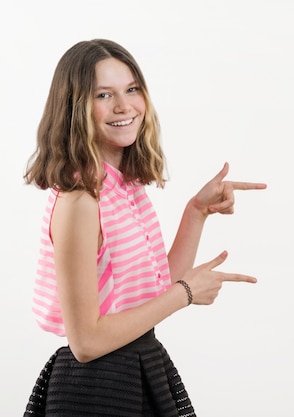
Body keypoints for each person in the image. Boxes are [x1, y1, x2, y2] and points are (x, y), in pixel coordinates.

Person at [22, 39, 266, 416]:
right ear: (75, 108)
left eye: (132, 89)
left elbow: (150, 293)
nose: (124, 106)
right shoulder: (80, 201)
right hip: (96, 390)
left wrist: (196, 212)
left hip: (140, 368)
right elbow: (85, 341)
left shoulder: (122, 187)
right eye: (104, 94)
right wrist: (185, 293)